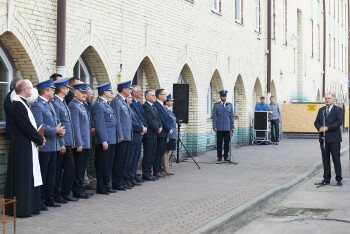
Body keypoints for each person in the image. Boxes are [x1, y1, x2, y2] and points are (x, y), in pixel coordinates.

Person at [4, 80, 45, 217]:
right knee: (22, 176)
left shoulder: (22, 103)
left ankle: (30, 206)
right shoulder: (17, 104)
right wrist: (39, 139)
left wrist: (38, 138)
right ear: (25, 90)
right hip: (22, 146)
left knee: (29, 176)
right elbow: (26, 126)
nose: (32, 91)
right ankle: (22, 208)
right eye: (30, 88)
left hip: (26, 145)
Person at [31, 79, 66, 210]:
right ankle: (41, 200)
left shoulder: (50, 104)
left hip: (54, 145)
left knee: (52, 174)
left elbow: (57, 122)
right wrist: (55, 130)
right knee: (44, 174)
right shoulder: (37, 106)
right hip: (45, 146)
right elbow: (39, 127)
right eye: (51, 89)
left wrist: (61, 132)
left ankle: (50, 198)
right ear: (45, 91)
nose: (53, 91)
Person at [51, 78, 79, 203]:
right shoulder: (56, 103)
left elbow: (69, 124)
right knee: (59, 170)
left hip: (67, 142)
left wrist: (71, 140)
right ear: (62, 89)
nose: (69, 89)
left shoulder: (62, 102)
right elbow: (58, 125)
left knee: (69, 168)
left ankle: (65, 193)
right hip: (61, 143)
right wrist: (62, 143)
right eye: (67, 87)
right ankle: (58, 195)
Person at [92, 82, 117, 195]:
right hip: (105, 140)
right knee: (103, 164)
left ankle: (106, 185)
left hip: (111, 139)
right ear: (105, 92)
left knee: (108, 164)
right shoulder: (99, 105)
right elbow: (100, 124)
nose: (110, 92)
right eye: (109, 91)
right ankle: (101, 187)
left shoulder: (105, 104)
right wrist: (104, 140)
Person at [314, 93, 343, 186]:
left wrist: (327, 128)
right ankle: (326, 179)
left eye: (329, 98)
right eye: (326, 98)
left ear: (333, 99)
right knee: (325, 159)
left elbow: (339, 122)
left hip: (334, 139)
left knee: (336, 159)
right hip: (323, 139)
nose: (327, 100)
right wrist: (320, 128)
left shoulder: (338, 110)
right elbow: (316, 122)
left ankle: (339, 179)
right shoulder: (321, 110)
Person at [68, 83, 91, 199]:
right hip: (80, 142)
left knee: (82, 167)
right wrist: (78, 143)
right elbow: (75, 126)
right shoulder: (73, 105)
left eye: (85, 93)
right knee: (78, 167)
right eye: (82, 93)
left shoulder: (82, 105)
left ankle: (81, 188)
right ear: (75, 93)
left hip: (85, 141)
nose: (84, 95)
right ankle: (77, 189)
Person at [111, 80, 133, 190]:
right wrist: (119, 134)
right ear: (124, 90)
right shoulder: (116, 101)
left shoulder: (123, 101)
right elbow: (117, 120)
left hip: (127, 135)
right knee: (119, 160)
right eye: (129, 89)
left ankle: (122, 180)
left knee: (125, 160)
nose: (130, 91)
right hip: (122, 136)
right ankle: (117, 182)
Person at [125, 94, 145, 187]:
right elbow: (129, 122)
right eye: (129, 97)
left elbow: (139, 120)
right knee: (129, 159)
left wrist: (142, 127)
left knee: (135, 159)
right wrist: (141, 128)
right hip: (132, 136)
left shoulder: (131, 108)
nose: (131, 99)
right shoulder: (126, 108)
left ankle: (132, 177)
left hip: (137, 136)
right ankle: (127, 178)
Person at [142, 89, 162, 181]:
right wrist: (157, 129)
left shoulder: (154, 107)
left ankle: (149, 173)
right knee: (148, 155)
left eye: (154, 95)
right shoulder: (145, 106)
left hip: (155, 134)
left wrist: (160, 126)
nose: (155, 97)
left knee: (152, 155)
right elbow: (149, 120)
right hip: (149, 135)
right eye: (153, 95)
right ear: (147, 97)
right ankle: (146, 173)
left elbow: (158, 118)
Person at [130, 85, 147, 183]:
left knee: (136, 156)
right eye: (139, 91)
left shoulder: (138, 103)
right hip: (135, 133)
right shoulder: (131, 103)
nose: (141, 93)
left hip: (141, 132)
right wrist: (141, 128)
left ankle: (134, 174)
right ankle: (131, 176)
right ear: (134, 92)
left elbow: (143, 118)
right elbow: (133, 120)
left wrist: (145, 128)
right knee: (132, 157)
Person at [153, 89, 173, 178]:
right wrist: (168, 129)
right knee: (158, 152)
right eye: (164, 94)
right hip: (161, 132)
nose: (166, 96)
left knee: (161, 151)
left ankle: (160, 170)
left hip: (164, 133)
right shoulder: (157, 105)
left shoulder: (162, 105)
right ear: (159, 96)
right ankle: (156, 170)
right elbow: (161, 119)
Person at [212, 90, 235, 162]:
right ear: (220, 97)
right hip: (219, 127)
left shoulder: (229, 105)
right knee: (219, 142)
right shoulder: (216, 105)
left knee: (226, 143)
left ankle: (226, 156)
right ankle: (219, 156)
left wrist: (232, 126)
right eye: (223, 96)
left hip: (227, 127)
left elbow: (232, 117)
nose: (224, 98)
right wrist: (214, 126)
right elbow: (214, 117)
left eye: (225, 96)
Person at [163, 94, 176, 175]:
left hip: (172, 134)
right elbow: (167, 123)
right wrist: (167, 136)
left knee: (167, 152)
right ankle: (166, 169)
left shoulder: (169, 110)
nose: (172, 102)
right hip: (169, 134)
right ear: (166, 102)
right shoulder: (165, 111)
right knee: (165, 152)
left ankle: (167, 168)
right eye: (170, 101)